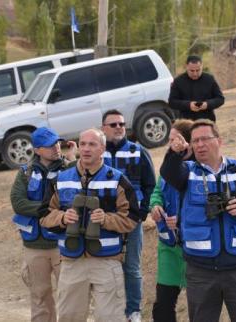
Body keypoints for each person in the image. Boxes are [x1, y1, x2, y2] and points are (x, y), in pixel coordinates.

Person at [160, 119, 236, 322]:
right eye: (195, 141)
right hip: (200, 271)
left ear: (219, 141)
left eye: (205, 139)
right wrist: (174, 153)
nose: (200, 145)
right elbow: (168, 172)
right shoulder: (187, 172)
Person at [40, 128, 141, 322]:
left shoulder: (118, 180)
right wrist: (62, 218)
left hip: (107, 262)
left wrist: (106, 219)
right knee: (70, 317)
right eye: (83, 144)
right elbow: (44, 216)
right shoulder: (61, 179)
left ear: (102, 148)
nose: (86, 149)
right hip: (71, 263)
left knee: (109, 318)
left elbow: (131, 219)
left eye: (92, 144)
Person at [10, 127, 77, 322]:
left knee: (70, 295)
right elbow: (18, 203)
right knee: (40, 297)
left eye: (57, 143)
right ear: (38, 150)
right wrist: (49, 210)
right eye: (50, 145)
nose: (56, 148)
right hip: (34, 247)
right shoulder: (25, 172)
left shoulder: (68, 168)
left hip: (62, 245)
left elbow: (73, 198)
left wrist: (72, 159)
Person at [101, 109, 156, 322]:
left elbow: (150, 185)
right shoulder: (97, 152)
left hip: (132, 220)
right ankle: (114, 310)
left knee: (132, 266)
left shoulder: (138, 151)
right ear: (103, 128)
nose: (118, 128)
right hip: (104, 221)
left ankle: (133, 311)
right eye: (113, 124)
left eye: (121, 124)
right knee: (106, 267)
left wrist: (143, 212)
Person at [150, 119, 194, 322]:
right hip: (168, 244)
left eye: (174, 139)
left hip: (194, 248)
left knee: (199, 303)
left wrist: (182, 220)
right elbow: (158, 191)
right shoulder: (168, 164)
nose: (170, 144)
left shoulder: (198, 167)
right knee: (163, 304)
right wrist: (155, 205)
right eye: (169, 140)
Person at [169, 55, 225, 122]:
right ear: (186, 67)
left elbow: (220, 99)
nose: (195, 74)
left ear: (202, 66)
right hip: (186, 123)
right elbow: (172, 102)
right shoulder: (178, 81)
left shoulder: (209, 79)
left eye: (198, 70)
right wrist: (188, 105)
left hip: (207, 121)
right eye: (192, 71)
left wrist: (207, 104)